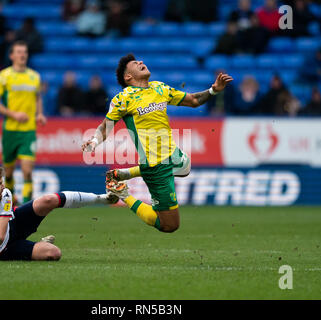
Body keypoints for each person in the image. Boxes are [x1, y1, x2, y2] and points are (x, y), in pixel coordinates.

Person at [81, 53, 232, 233]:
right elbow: (105, 127)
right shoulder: (124, 98)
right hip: (156, 166)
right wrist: (95, 140)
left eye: (140, 61)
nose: (141, 62)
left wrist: (213, 90)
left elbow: (192, 100)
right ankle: (123, 194)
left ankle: (123, 173)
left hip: (172, 155)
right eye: (136, 64)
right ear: (128, 77)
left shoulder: (159, 88)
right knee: (169, 225)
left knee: (186, 166)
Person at [0, 40, 47, 205]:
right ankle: (12, 204)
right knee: (9, 173)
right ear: (11, 55)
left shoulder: (34, 76)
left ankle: (27, 207)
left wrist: (40, 114)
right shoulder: (4, 76)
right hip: (10, 131)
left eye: (25, 52)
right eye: (19, 52)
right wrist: (13, 114)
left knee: (27, 171)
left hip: (28, 131)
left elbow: (37, 97)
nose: (22, 55)